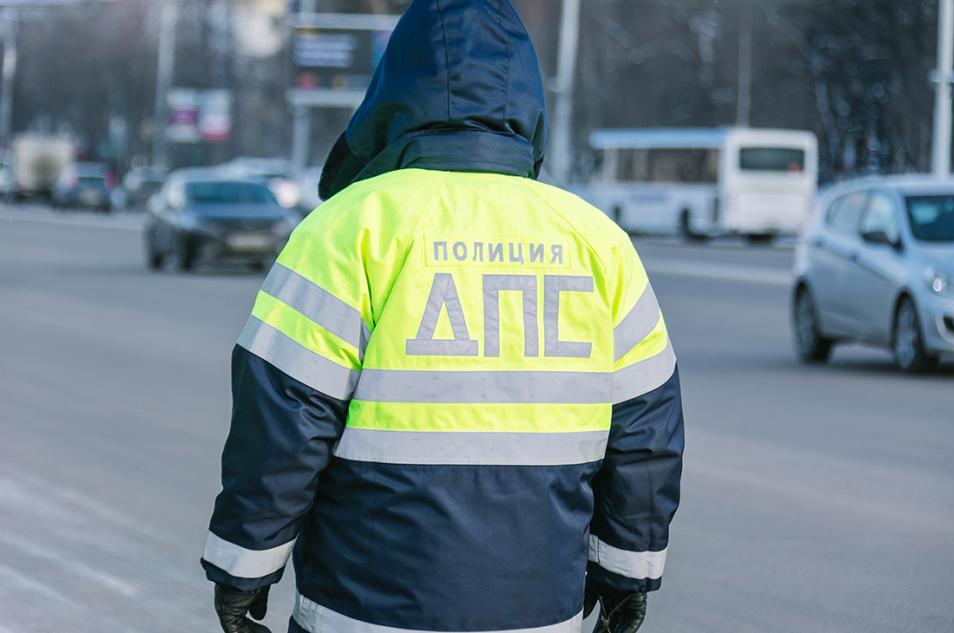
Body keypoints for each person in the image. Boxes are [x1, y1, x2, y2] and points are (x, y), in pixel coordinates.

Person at [200, 1, 685, 632]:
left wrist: (243, 567)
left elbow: (283, 423)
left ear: (393, 91)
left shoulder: (347, 228)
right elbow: (646, 430)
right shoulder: (600, 243)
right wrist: (628, 574)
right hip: (540, 613)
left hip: (363, 610)